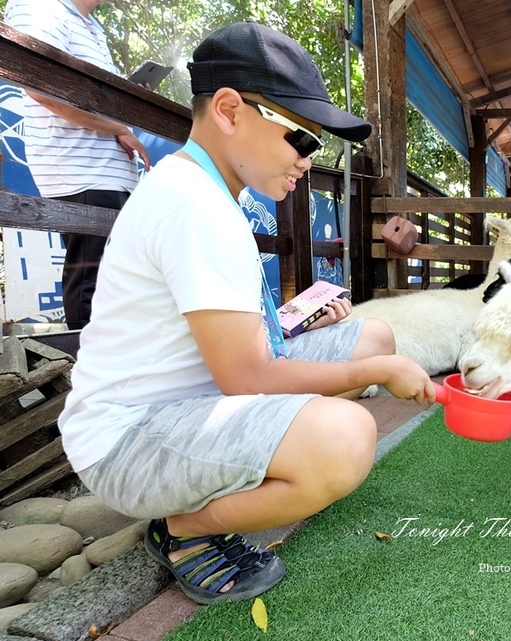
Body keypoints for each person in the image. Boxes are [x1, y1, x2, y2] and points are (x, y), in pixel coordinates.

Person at [57, 21, 436, 605]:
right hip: (130, 440)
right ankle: (183, 530)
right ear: (231, 110)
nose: (308, 161)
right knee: (347, 437)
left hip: (192, 400)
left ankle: (260, 471)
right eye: (302, 140)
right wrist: (377, 377)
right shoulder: (194, 207)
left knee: (373, 335)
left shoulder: (204, 193)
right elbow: (250, 377)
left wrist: (290, 320)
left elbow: (221, 342)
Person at [3, 0, 151, 329]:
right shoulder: (40, 6)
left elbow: (92, 97)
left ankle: (116, 371)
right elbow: (43, 88)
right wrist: (119, 128)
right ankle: (87, 376)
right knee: (90, 285)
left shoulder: (92, 27)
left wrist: (126, 96)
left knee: (119, 286)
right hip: (81, 173)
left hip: (113, 175)